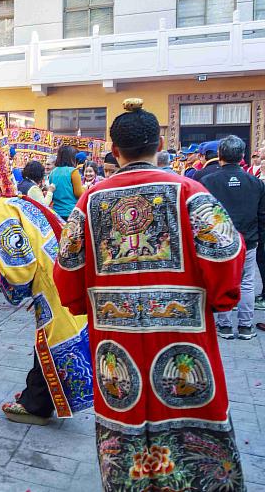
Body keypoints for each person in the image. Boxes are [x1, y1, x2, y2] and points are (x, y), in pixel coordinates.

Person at [53, 99, 246, 491]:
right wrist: (220, 299)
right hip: (182, 333)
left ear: (115, 150)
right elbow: (226, 253)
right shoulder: (189, 193)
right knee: (191, 403)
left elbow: (67, 267)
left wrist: (81, 304)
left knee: (123, 411)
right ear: (159, 142)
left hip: (115, 335)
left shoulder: (92, 201)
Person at [0, 179, 92, 425]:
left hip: (50, 281)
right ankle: (38, 396)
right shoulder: (13, 202)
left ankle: (37, 404)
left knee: (50, 342)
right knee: (46, 343)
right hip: (58, 272)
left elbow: (19, 266)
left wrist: (12, 283)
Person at [201, 135, 265, 339]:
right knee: (247, 282)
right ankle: (246, 326)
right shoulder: (255, 183)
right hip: (249, 238)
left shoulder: (208, 181)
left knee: (222, 280)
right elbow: (262, 215)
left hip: (219, 240)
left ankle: (225, 325)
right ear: (242, 156)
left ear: (220, 155)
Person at [49, 145, 84, 220]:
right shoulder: (73, 172)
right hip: (70, 212)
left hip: (56, 212)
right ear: (72, 157)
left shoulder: (53, 172)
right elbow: (78, 193)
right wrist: (85, 188)